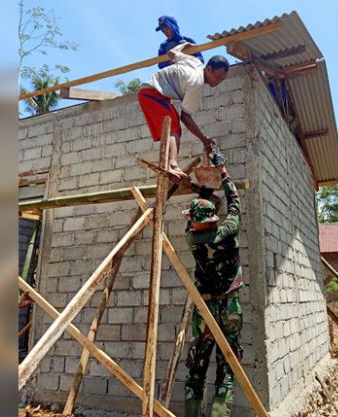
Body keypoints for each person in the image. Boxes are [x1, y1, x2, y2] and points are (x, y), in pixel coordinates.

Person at [182, 151, 244, 417]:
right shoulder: (228, 231)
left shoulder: (191, 238)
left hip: (204, 311)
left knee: (196, 372)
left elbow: (195, 218)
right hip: (229, 307)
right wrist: (223, 172)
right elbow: (234, 205)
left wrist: (202, 190)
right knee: (225, 371)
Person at [138, 44, 229, 179]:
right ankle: (171, 166)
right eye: (217, 77)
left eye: (222, 80)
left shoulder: (196, 63)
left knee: (172, 125)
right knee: (173, 126)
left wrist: (186, 44)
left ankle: (170, 164)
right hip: (152, 93)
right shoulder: (196, 84)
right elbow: (185, 117)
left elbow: (172, 53)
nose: (218, 82)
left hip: (151, 92)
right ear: (209, 69)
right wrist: (204, 139)